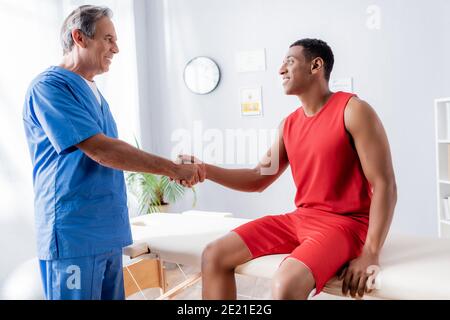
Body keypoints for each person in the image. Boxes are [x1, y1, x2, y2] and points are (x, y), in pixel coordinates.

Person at [181, 38, 397, 300]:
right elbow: (257, 178)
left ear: (316, 65)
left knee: (285, 283)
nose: (280, 69)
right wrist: (204, 169)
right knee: (213, 254)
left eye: (289, 62)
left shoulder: (354, 111)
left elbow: (385, 184)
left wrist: (371, 253)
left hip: (345, 225)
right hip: (301, 219)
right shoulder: (288, 125)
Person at [22, 5, 204, 300]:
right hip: (74, 234)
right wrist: (173, 169)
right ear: (79, 37)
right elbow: (102, 150)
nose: (116, 48)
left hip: (105, 229)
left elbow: (112, 154)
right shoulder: (50, 87)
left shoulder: (93, 93)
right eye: (108, 39)